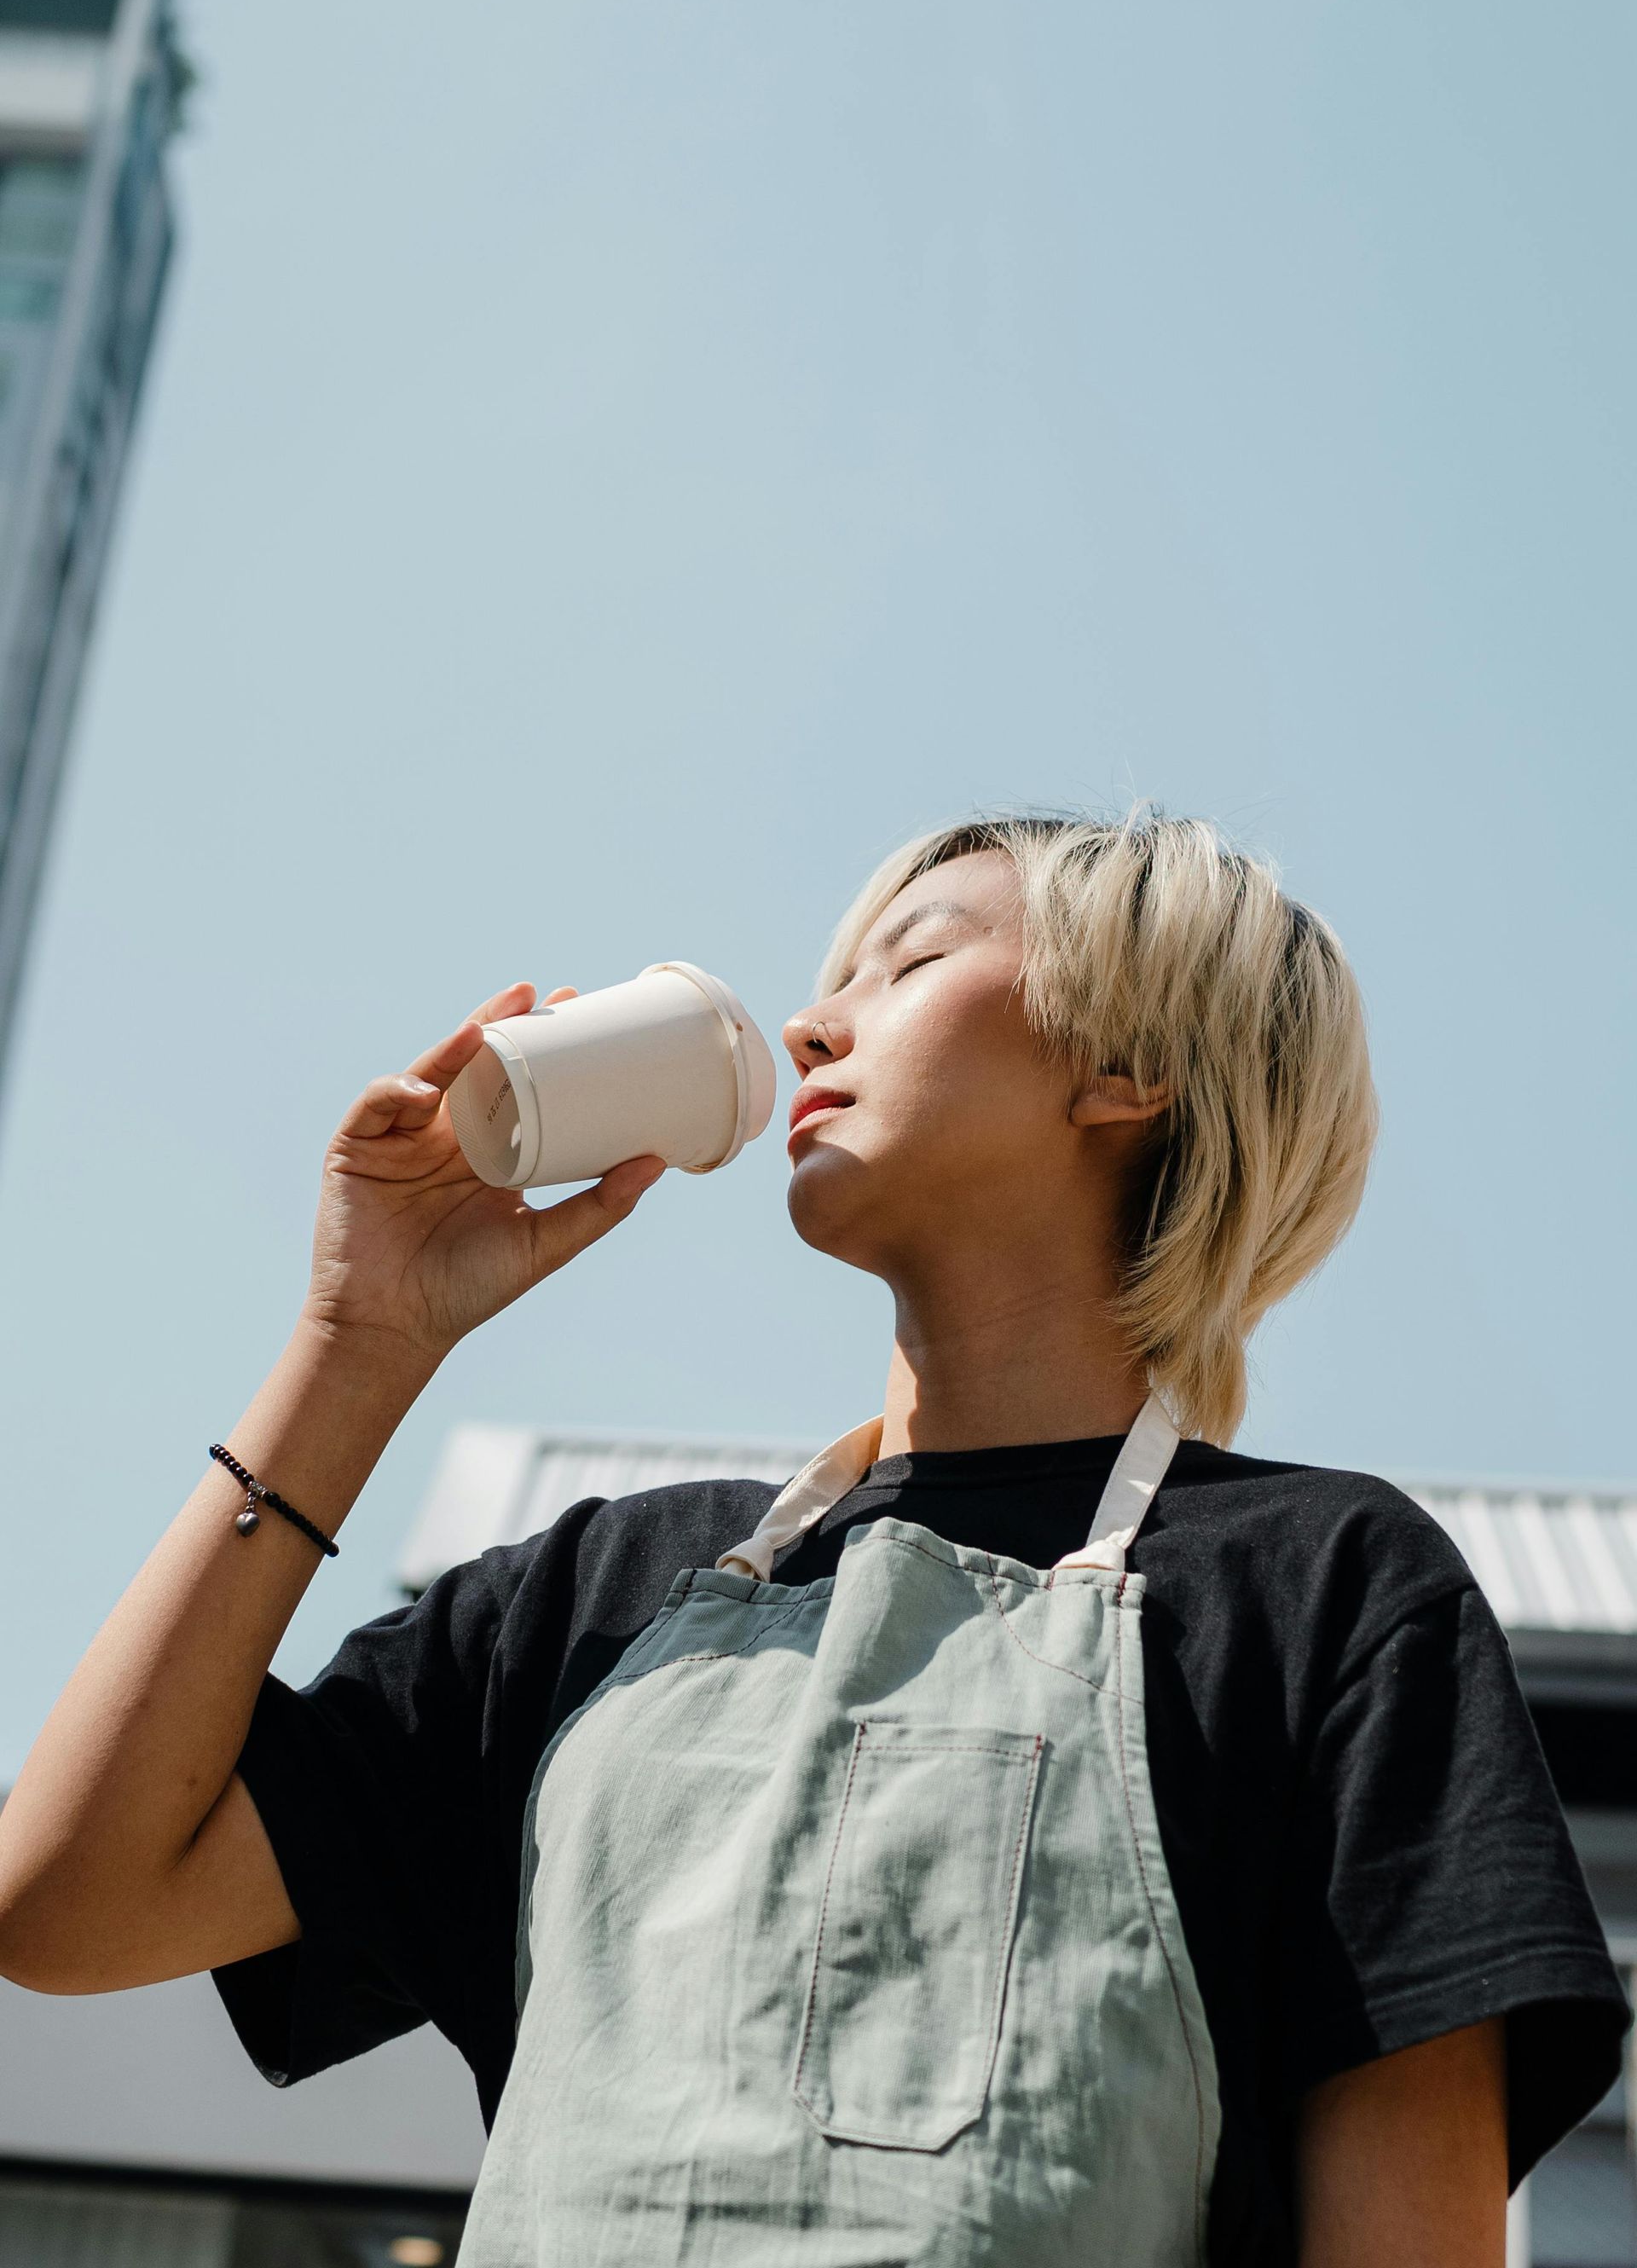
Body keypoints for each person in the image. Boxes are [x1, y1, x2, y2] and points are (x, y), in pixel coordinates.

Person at [0, 809, 1623, 2267]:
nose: (807, 1022)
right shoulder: (589, 1599)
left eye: (912, 960)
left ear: (1125, 1070)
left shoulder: (1325, 1588)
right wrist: (360, 1342)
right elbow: (68, 1903)